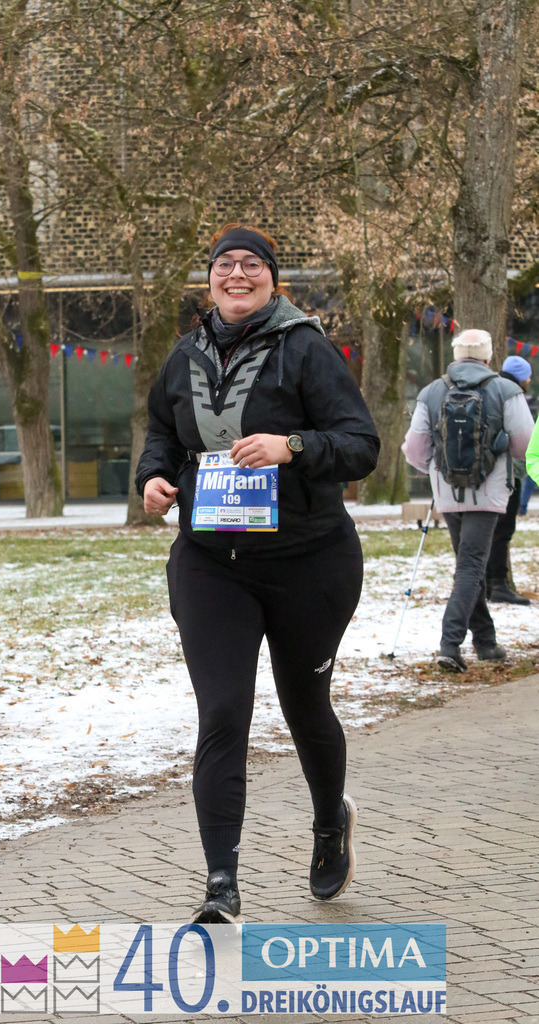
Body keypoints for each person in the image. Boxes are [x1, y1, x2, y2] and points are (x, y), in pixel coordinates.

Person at [135, 223, 380, 922]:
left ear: (273, 277)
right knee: (221, 712)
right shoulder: (185, 353)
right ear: (207, 277)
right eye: (223, 264)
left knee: (305, 707)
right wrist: (153, 478)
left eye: (251, 264)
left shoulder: (304, 347)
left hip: (309, 561)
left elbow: (361, 445)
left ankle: (329, 821)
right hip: (212, 562)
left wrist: (291, 445)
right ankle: (220, 883)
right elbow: (160, 429)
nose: (236, 274)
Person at [402, 330, 534, 673]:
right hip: (489, 492)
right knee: (471, 566)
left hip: (447, 491)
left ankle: (485, 641)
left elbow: (415, 451)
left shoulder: (432, 391)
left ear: (456, 355)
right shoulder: (507, 390)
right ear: (488, 357)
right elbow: (525, 446)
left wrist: (437, 468)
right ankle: (450, 644)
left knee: (468, 564)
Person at [485, 356, 533, 604]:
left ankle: (484, 583)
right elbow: (525, 440)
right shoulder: (512, 393)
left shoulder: (489, 387)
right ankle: (499, 584)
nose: (529, 380)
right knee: (503, 531)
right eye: (528, 375)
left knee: (486, 532)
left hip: (483, 473)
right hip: (508, 473)